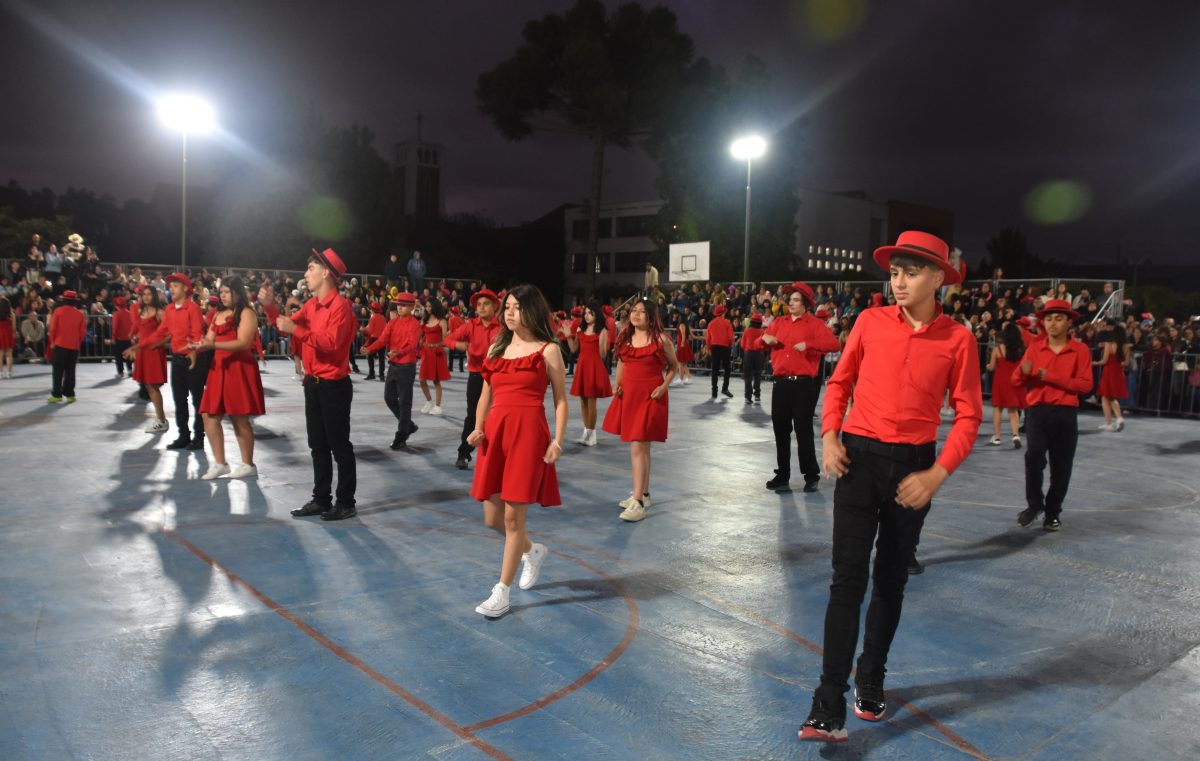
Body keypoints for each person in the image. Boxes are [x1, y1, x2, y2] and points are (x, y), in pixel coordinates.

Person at [800, 231, 982, 743]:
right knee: (845, 580)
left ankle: (871, 676)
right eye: (896, 272)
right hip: (857, 462)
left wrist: (937, 473)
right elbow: (839, 384)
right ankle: (827, 700)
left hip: (914, 469)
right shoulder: (868, 322)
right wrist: (831, 435)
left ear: (939, 278)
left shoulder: (958, 340)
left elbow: (969, 415)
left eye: (913, 272)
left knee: (890, 581)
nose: (900, 282)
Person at [468, 285, 568, 618]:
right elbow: (485, 394)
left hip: (528, 435)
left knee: (513, 517)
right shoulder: (497, 348)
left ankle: (502, 592)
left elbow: (560, 400)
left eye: (516, 307)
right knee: (492, 518)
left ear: (532, 311)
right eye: (507, 307)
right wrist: (479, 427)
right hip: (496, 435)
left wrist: (557, 441)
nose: (509, 312)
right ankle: (532, 550)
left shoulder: (548, 350)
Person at [277, 248, 359, 521]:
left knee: (339, 446)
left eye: (311, 268)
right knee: (318, 445)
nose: (305, 274)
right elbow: (286, 325)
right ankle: (321, 499)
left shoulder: (341, 307)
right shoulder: (312, 305)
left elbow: (331, 345)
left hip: (333, 385)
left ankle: (346, 502)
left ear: (326, 273)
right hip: (313, 383)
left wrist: (295, 329)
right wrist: (269, 307)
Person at [1013, 298, 1093, 532]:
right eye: (1048, 319)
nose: (1052, 323)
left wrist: (1050, 376)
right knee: (1034, 457)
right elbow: (1016, 380)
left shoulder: (1080, 350)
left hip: (1066, 414)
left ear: (1069, 322)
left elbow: (1085, 385)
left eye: (1058, 319)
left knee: (1062, 466)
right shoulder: (1035, 348)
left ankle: (1053, 512)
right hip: (1038, 412)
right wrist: (1022, 373)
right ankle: (1034, 505)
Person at [601, 298, 679, 522]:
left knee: (637, 445)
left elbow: (674, 366)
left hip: (650, 396)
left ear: (651, 316)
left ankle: (636, 502)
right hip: (630, 396)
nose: (635, 314)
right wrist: (617, 383)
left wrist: (664, 386)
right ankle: (643, 494)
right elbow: (623, 363)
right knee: (642, 448)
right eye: (633, 310)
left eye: (642, 312)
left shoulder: (661, 340)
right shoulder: (626, 338)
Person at [761, 282, 842, 493]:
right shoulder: (779, 322)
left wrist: (810, 344)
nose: (791, 303)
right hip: (781, 383)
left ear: (805, 303)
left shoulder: (814, 324)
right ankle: (783, 474)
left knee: (803, 429)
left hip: (803, 384)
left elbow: (834, 345)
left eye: (796, 300)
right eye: (790, 300)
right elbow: (758, 343)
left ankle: (811, 474)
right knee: (780, 429)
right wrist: (764, 338)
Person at [189, 277, 265, 479]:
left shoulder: (247, 313)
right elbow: (210, 340)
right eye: (221, 292)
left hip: (239, 368)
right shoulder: (217, 314)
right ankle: (221, 463)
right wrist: (197, 346)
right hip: (219, 367)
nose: (222, 295)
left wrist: (212, 346)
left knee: (239, 416)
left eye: (226, 292)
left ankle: (248, 464)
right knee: (208, 414)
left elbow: (243, 343)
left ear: (237, 293)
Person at [126, 274, 208, 451]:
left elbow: (196, 334)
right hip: (178, 359)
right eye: (171, 286)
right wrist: (140, 346)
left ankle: (199, 437)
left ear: (185, 288)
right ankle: (183, 436)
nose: (171, 288)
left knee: (197, 400)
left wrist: (193, 351)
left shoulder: (192, 309)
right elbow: (160, 333)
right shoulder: (170, 310)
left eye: (176, 285)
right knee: (179, 400)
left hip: (192, 359)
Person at [449, 289, 502, 469]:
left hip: (498, 378)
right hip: (476, 376)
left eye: (486, 303)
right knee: (472, 416)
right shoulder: (471, 325)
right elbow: (449, 339)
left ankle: (496, 455)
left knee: (498, 416)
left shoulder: (503, 328)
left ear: (495, 306)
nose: (481, 307)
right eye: (478, 304)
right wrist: (459, 344)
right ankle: (464, 452)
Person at [363, 292, 422, 449]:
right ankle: (408, 425)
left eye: (403, 305)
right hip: (394, 365)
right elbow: (382, 339)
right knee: (389, 398)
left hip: (406, 367)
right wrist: (370, 349)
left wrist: (398, 352)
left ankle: (401, 435)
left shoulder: (415, 325)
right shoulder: (393, 322)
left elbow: (412, 344)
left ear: (411, 307)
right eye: (398, 304)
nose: (400, 307)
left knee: (404, 403)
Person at [567, 301, 612, 446]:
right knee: (583, 401)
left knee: (592, 401)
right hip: (582, 366)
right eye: (585, 313)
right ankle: (586, 433)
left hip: (594, 367)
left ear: (596, 314)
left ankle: (592, 435)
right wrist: (569, 336)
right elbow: (574, 349)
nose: (586, 316)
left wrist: (603, 340)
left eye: (589, 313)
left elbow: (603, 354)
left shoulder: (602, 331)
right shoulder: (581, 329)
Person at [128, 286, 170, 430]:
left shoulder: (159, 312)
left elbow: (169, 332)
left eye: (149, 294)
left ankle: (161, 420)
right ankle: (161, 419)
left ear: (154, 296)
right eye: (143, 294)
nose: (146, 297)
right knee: (148, 386)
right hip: (143, 351)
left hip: (153, 351)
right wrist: (136, 338)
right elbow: (142, 331)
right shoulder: (142, 311)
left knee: (153, 386)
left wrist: (158, 344)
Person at [987, 322, 1027, 447]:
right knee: (1013, 409)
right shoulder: (1021, 349)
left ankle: (997, 437)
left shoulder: (997, 349)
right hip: (1014, 380)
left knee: (998, 408)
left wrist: (988, 366)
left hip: (1001, 380)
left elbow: (992, 367)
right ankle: (1015, 435)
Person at [45, 291, 87, 402]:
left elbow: (53, 328)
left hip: (60, 344)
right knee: (70, 370)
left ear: (64, 300)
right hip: (74, 346)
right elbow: (83, 332)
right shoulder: (80, 314)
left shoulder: (58, 311)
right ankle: (70, 394)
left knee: (58, 370)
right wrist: (77, 342)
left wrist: (52, 342)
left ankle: (57, 395)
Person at [1094, 322, 1130, 432]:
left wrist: (1093, 363)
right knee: (1112, 397)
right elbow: (1126, 363)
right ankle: (1119, 418)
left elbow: (1104, 361)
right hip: (1118, 372)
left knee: (1105, 396)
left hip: (1109, 371)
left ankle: (1109, 422)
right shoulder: (1126, 347)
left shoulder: (1109, 344)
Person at [418, 299, 451, 415]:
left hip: (437, 353)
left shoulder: (442, 321)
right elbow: (420, 334)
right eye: (426, 306)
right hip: (426, 353)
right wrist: (421, 343)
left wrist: (434, 345)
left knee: (436, 381)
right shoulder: (424, 320)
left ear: (435, 306)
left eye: (429, 306)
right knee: (421, 379)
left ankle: (437, 406)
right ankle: (429, 402)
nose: (427, 308)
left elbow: (445, 340)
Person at [705, 304, 734, 399]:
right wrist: (729, 345)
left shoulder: (711, 324)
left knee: (714, 370)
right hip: (725, 347)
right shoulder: (727, 323)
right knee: (727, 369)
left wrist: (710, 348)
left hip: (714, 347)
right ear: (723, 313)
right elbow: (730, 337)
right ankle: (725, 388)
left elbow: (707, 338)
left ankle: (714, 391)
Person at [739, 313, 766, 404]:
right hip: (759, 354)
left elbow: (742, 345)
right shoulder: (762, 332)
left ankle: (748, 397)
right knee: (758, 375)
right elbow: (764, 345)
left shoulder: (747, 331)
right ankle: (757, 395)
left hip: (748, 354)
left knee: (748, 376)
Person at [362, 301, 386, 381]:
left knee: (370, 357)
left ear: (373, 309)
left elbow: (370, 331)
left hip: (374, 339)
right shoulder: (383, 318)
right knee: (381, 358)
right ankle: (381, 375)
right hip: (382, 339)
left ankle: (372, 373)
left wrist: (363, 329)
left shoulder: (373, 317)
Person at [110, 296, 133, 377]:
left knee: (118, 356)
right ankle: (130, 370)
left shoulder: (116, 314)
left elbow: (115, 327)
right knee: (128, 356)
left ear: (116, 306)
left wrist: (113, 338)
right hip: (128, 339)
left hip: (119, 339)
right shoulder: (130, 313)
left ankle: (120, 372)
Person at [672, 317, 694, 385]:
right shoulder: (682, 325)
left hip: (682, 345)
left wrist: (682, 343)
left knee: (682, 362)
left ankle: (689, 378)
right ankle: (681, 379)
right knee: (680, 362)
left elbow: (683, 335)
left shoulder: (681, 325)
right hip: (681, 344)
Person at [0, 296, 14, 379]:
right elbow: (14, 327)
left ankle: (0, 373)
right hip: (8, 333)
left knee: (0, 355)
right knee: (9, 354)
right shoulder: (11, 314)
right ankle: (9, 373)